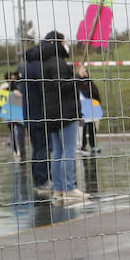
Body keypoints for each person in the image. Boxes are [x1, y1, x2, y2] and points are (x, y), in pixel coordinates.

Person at [23, 32, 86, 203]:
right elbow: (63, 84)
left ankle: (59, 188)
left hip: (51, 114)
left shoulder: (44, 63)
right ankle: (68, 187)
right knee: (67, 151)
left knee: (58, 151)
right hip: (65, 113)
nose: (66, 44)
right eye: (64, 41)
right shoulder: (57, 63)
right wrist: (78, 76)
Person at [0, 71, 26, 161]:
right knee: (13, 132)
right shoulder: (4, 87)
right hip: (9, 113)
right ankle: (16, 150)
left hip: (15, 113)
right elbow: (0, 102)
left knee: (15, 132)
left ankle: (17, 150)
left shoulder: (15, 85)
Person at [78, 67, 103, 155]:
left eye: (85, 72)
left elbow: (97, 98)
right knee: (82, 130)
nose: (85, 73)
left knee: (92, 129)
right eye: (83, 72)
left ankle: (92, 145)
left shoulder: (92, 85)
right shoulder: (77, 85)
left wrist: (99, 108)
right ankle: (82, 146)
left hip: (91, 112)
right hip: (81, 113)